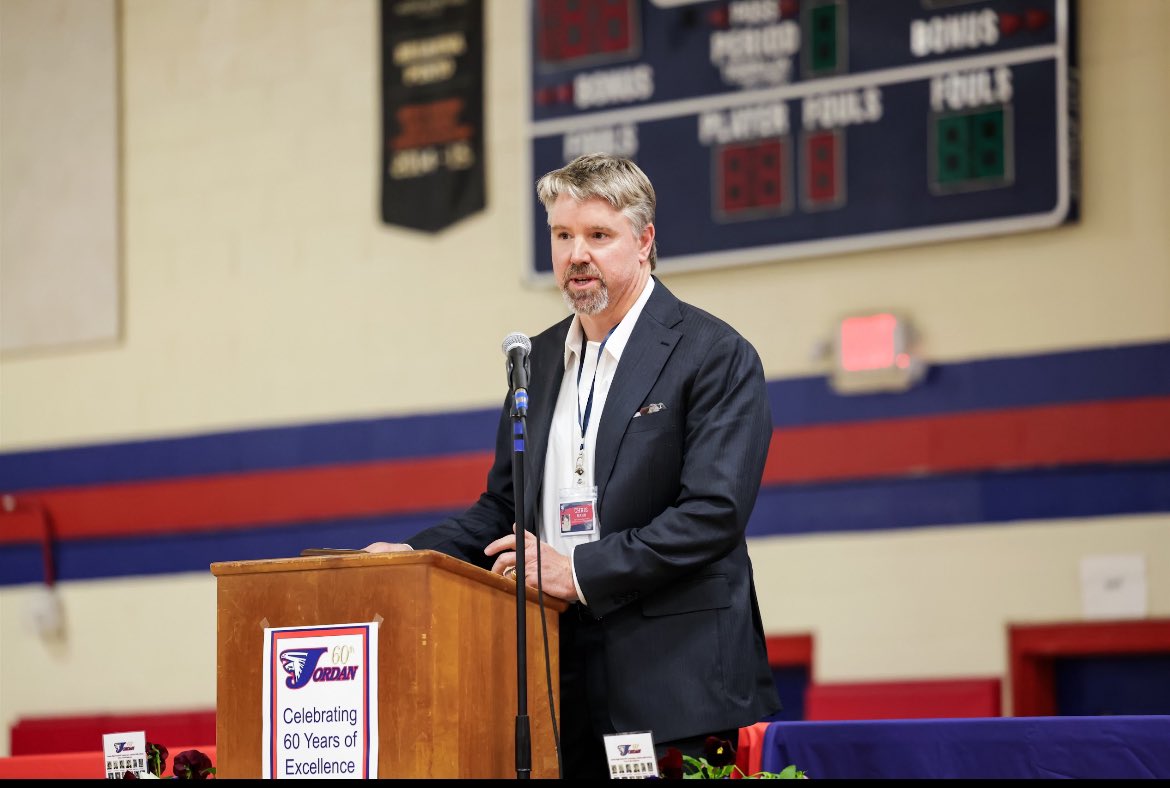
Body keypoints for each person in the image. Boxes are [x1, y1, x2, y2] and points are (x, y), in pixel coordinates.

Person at [365, 153, 780, 777]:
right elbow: (505, 508)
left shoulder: (713, 354)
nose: (576, 255)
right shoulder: (534, 360)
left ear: (644, 241)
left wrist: (578, 570)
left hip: (676, 678)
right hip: (554, 674)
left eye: (598, 235)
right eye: (562, 236)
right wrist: (414, 555)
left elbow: (712, 513)